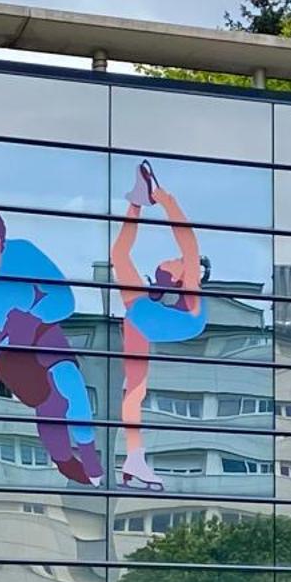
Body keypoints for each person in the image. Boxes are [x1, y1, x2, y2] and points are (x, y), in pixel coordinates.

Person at [0, 209, 104, 487]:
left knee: (69, 383)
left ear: (1, 242)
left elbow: (64, 298)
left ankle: (89, 453)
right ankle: (64, 460)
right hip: (5, 351)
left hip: (40, 332)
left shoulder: (25, 254)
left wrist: (33, 317)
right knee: (48, 405)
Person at [110, 160, 207, 491]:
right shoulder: (141, 308)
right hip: (151, 321)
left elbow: (189, 244)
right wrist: (135, 203)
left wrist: (166, 201)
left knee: (122, 265)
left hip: (183, 321)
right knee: (134, 388)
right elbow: (120, 252)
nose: (175, 259)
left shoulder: (191, 286)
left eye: (177, 262)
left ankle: (135, 458)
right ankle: (135, 457)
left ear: (182, 275)